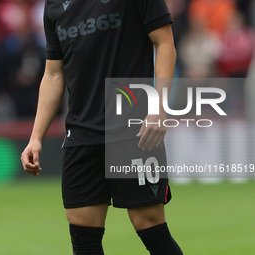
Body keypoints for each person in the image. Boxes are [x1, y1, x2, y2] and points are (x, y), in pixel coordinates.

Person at [21, 0, 182, 254]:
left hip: (134, 132)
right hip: (81, 136)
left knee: (151, 228)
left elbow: (165, 44)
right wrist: (35, 137)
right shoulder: (54, 5)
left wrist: (158, 108)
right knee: (84, 238)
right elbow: (53, 73)